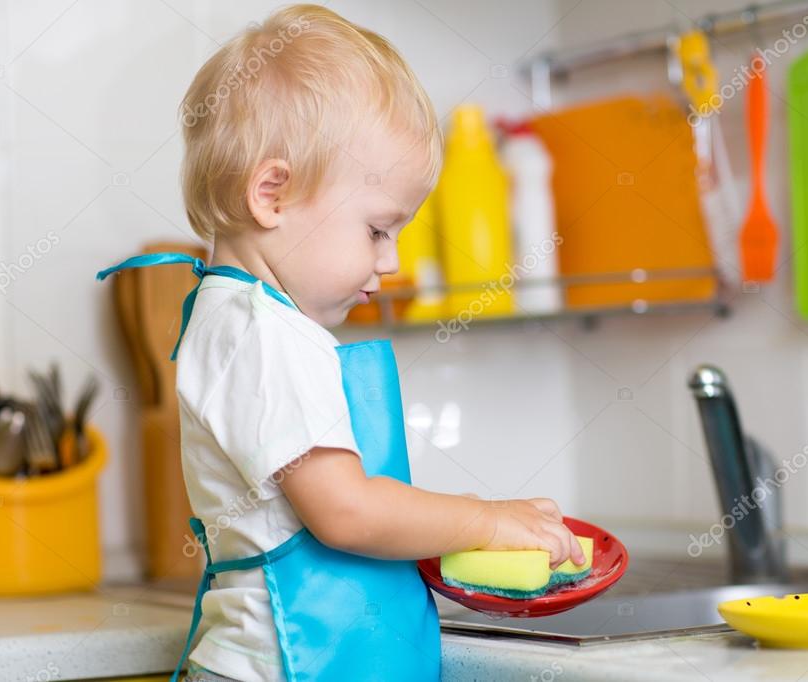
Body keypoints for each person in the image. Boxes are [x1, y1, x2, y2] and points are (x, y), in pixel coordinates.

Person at [97, 5, 583, 681]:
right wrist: (485, 520)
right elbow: (346, 511)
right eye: (378, 230)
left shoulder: (232, 314)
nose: (388, 263)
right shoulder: (267, 333)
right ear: (272, 193)